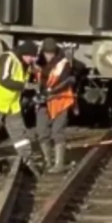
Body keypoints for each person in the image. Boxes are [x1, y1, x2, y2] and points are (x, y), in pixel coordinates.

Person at [0, 42, 42, 174]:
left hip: (11, 104)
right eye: (32, 56)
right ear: (24, 54)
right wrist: (26, 86)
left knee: (20, 133)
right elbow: (4, 80)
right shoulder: (8, 58)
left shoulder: (25, 64)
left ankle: (28, 160)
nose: (33, 59)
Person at [33, 38, 75, 174]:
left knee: (58, 132)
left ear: (55, 52)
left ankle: (59, 164)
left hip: (60, 102)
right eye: (46, 52)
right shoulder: (38, 64)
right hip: (44, 102)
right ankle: (48, 161)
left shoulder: (63, 64)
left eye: (51, 53)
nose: (48, 55)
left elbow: (66, 81)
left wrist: (51, 91)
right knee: (41, 132)